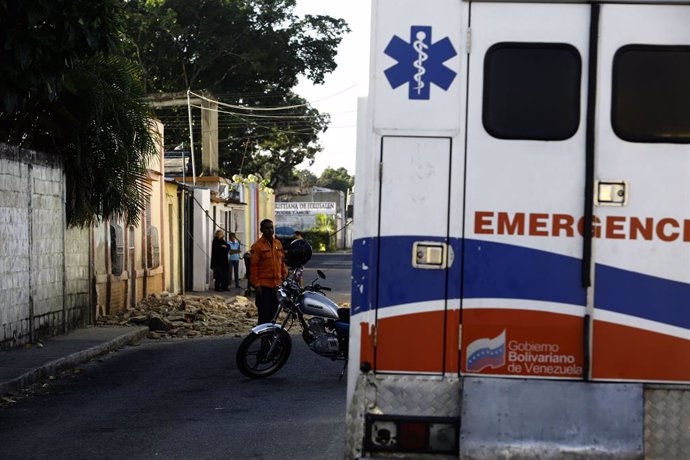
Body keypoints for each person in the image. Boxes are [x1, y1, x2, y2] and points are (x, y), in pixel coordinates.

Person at [250, 219, 288, 324]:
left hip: (276, 286)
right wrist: (256, 285)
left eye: (271, 228)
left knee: (274, 315)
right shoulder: (257, 246)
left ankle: (271, 339)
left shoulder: (278, 244)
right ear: (261, 230)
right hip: (264, 286)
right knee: (264, 315)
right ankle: (263, 338)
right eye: (266, 228)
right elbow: (253, 267)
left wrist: (284, 277)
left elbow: (282, 262)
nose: (270, 230)